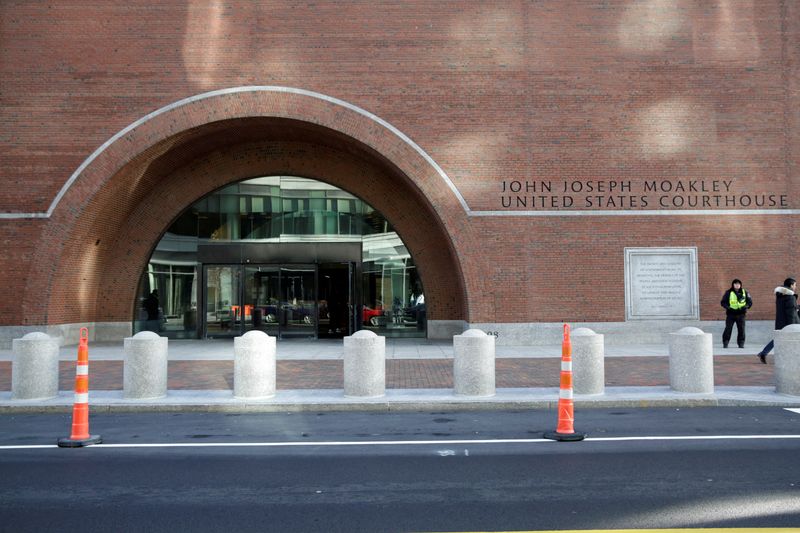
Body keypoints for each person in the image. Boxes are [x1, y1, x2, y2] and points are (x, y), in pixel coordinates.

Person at [756, 278, 800, 364]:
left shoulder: (781, 296)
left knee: (777, 339)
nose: (796, 287)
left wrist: (796, 307)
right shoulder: (790, 297)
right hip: (789, 323)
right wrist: (792, 326)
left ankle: (764, 353)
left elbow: (787, 308)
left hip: (781, 321)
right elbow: (791, 312)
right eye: (795, 285)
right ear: (791, 285)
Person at [720, 279, 752, 348]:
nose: (737, 285)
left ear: (740, 285)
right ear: (733, 285)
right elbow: (723, 302)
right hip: (731, 314)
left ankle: (741, 343)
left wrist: (746, 307)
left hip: (741, 314)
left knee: (741, 329)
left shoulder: (745, 292)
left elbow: (750, 302)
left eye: (738, 284)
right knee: (728, 329)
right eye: (735, 284)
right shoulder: (728, 292)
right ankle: (725, 342)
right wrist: (728, 307)